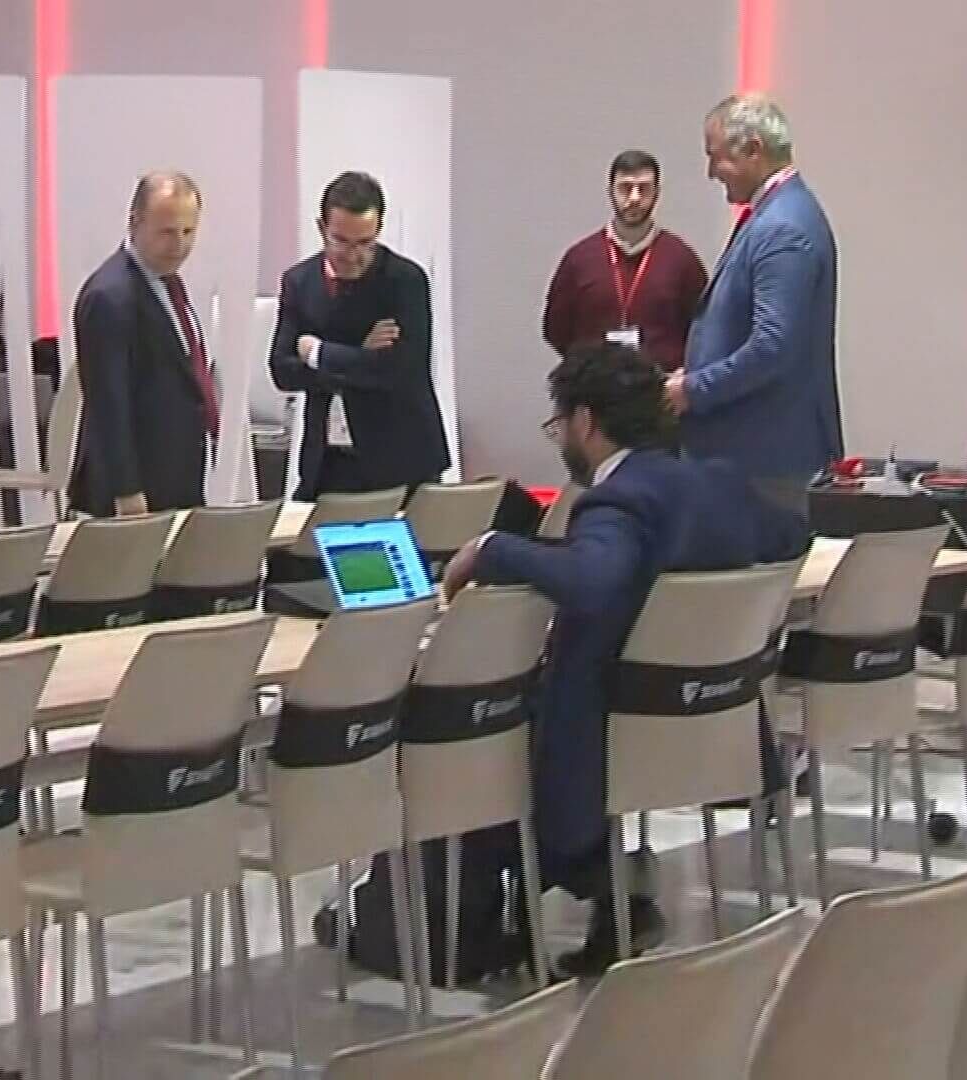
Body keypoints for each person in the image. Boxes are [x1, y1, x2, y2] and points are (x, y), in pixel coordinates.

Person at [443, 342, 809, 974]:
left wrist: (495, 547)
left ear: (585, 422)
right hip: (714, 714)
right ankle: (597, 898)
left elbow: (595, 582)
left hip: (612, 728)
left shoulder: (616, 501)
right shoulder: (717, 484)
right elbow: (790, 539)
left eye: (560, 426)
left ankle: (496, 916)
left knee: (473, 716)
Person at [673, 94, 842, 512]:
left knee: (754, 576)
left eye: (716, 158)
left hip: (760, 456)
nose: (712, 173)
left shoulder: (781, 227)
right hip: (754, 452)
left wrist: (692, 389)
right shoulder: (783, 213)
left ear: (753, 150)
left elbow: (772, 348)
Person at [269, 171, 450, 498]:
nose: (352, 255)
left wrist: (318, 354)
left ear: (379, 230)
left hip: (400, 458)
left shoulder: (404, 281)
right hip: (328, 459)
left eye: (365, 243)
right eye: (341, 241)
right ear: (322, 228)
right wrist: (360, 355)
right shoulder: (300, 281)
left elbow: (396, 369)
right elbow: (281, 370)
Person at [69, 171, 219, 518]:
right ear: (134, 223)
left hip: (175, 476)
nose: (179, 245)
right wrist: (127, 490)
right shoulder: (110, 295)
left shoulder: (168, 285)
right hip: (134, 490)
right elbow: (108, 402)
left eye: (188, 232)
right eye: (167, 232)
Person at [542, 150, 709, 374]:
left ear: (657, 193)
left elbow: (704, 330)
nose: (634, 198)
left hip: (661, 396)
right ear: (610, 191)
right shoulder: (579, 258)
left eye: (644, 188)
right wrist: (586, 368)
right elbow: (555, 329)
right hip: (594, 395)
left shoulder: (682, 260)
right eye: (625, 188)